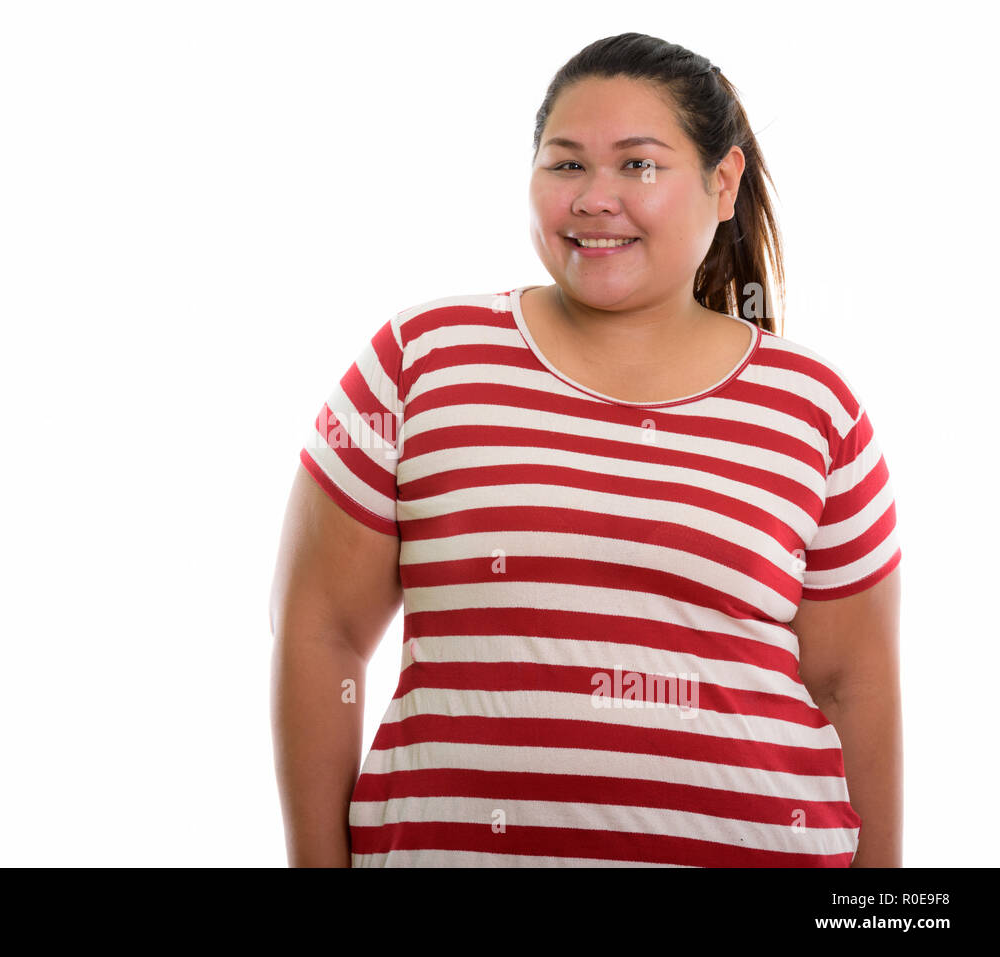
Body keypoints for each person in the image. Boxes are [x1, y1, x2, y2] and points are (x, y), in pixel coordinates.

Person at [269, 32, 902, 867]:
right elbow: (320, 632)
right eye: (566, 164)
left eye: (638, 165)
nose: (595, 198)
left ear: (723, 183)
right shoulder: (420, 359)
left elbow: (856, 686)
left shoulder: (815, 407)